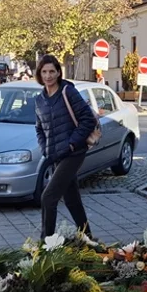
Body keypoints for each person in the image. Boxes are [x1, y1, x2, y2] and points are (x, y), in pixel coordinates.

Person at [34, 54, 97, 238]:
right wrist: (45, 148)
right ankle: (88, 238)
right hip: (55, 155)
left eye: (52, 71)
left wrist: (71, 144)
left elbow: (88, 119)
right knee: (72, 199)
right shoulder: (39, 100)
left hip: (73, 153)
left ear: (58, 73)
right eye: (44, 72)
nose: (48, 76)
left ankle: (46, 245)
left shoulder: (68, 92)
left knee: (48, 197)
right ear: (39, 74)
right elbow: (39, 128)